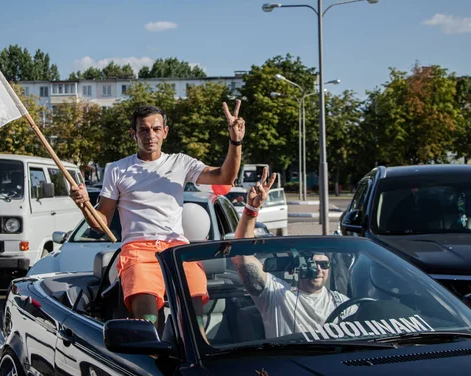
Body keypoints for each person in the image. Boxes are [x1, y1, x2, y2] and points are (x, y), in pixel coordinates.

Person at [70, 102, 245, 327]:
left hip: (176, 249)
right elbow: (101, 222)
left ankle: (189, 360)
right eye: (143, 129)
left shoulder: (181, 163)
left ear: (165, 131)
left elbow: (225, 177)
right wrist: (83, 204)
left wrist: (235, 141)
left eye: (156, 129)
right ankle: (153, 358)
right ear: (133, 134)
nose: (150, 135)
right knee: (148, 319)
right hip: (138, 250)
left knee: (194, 318)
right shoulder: (117, 169)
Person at [231, 167, 354, 339]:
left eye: (324, 264)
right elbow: (241, 256)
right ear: (298, 266)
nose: (318, 269)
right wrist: (251, 209)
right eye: (312, 263)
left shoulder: (342, 303)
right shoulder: (276, 294)